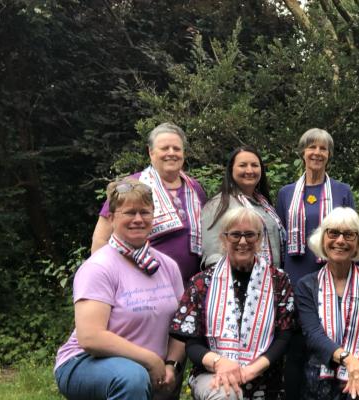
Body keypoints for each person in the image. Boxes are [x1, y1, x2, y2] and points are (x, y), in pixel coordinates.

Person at [55, 179, 185, 400]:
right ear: (112, 218)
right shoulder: (99, 267)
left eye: (144, 212)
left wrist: (171, 365)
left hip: (149, 368)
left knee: (144, 377)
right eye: (129, 212)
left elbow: (182, 326)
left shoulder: (167, 266)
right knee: (132, 377)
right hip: (86, 362)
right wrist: (150, 360)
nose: (138, 219)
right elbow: (90, 338)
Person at [170, 207, 295, 400]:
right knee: (226, 395)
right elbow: (192, 343)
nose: (243, 241)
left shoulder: (279, 280)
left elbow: (283, 337)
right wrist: (220, 363)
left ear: (260, 239)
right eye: (235, 235)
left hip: (265, 377)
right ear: (223, 239)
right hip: (213, 374)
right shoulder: (202, 282)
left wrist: (251, 370)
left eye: (250, 235)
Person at [276, 128, 355, 398]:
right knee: (296, 348)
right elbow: (280, 238)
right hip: (297, 277)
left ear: (329, 155)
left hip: (333, 278)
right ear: (303, 152)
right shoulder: (286, 193)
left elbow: (352, 238)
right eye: (312, 147)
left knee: (330, 342)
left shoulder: (342, 191)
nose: (317, 153)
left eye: (323, 148)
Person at [91, 122, 208, 288]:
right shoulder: (131, 185)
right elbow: (101, 238)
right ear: (151, 152)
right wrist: (103, 281)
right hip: (142, 284)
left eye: (176, 148)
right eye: (164, 148)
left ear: (184, 153)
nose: (171, 153)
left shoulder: (195, 188)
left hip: (192, 288)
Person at [294, 207, 359, 399]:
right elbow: (313, 335)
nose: (340, 240)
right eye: (333, 233)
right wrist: (349, 361)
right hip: (322, 374)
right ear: (323, 238)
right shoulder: (306, 285)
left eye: (348, 235)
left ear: (358, 242)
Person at [202, 146, 284, 270]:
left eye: (255, 165)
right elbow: (213, 255)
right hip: (236, 282)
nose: (249, 170)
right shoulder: (218, 205)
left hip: (270, 282)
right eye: (243, 165)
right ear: (231, 170)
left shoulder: (264, 204)